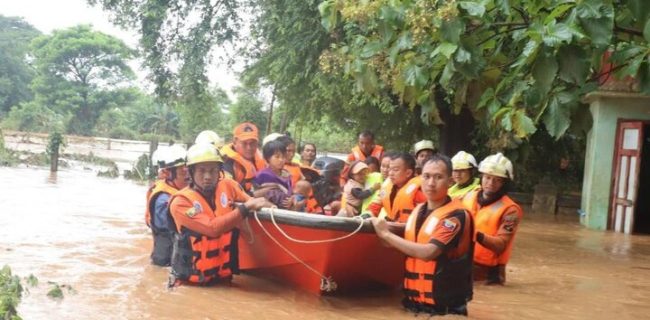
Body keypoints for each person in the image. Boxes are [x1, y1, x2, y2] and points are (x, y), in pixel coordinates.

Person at [371, 155, 474, 316]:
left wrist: (385, 234)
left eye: (438, 177)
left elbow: (428, 252)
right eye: (426, 176)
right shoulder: (418, 210)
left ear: (450, 181)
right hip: (413, 305)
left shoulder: (456, 216)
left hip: (444, 311)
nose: (431, 183)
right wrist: (377, 228)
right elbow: (397, 242)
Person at [168, 143, 270, 286]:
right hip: (191, 284)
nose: (208, 176)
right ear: (191, 172)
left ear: (220, 171)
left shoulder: (228, 185)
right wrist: (244, 209)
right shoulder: (180, 202)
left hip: (222, 279)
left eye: (213, 171)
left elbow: (253, 201)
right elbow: (212, 229)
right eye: (201, 171)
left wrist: (271, 207)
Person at [462, 153, 523, 285]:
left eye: (497, 180)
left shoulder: (511, 210)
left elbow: (501, 245)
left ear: (504, 183)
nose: (490, 183)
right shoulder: (468, 197)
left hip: (489, 274)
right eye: (487, 177)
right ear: (482, 177)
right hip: (463, 266)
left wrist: (474, 234)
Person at [145, 145, 189, 266]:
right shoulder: (163, 199)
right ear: (168, 173)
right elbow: (177, 227)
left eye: (189, 170)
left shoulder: (178, 191)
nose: (188, 176)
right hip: (166, 261)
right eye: (183, 172)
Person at [364, 153, 427, 222]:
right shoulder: (386, 187)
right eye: (390, 169)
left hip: (409, 230)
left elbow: (425, 220)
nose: (390, 173)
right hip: (390, 228)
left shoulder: (419, 191)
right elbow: (374, 207)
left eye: (395, 170)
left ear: (408, 173)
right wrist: (364, 217)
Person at [253, 140, 302, 210]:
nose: (281, 160)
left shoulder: (287, 175)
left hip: (287, 211)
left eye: (283, 157)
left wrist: (292, 199)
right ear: (268, 158)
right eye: (277, 157)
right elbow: (255, 196)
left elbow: (290, 193)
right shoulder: (263, 175)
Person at [220, 122, 267, 194]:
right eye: (244, 143)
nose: (249, 148)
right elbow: (228, 194)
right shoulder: (226, 163)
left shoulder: (260, 158)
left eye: (252, 143)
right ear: (235, 142)